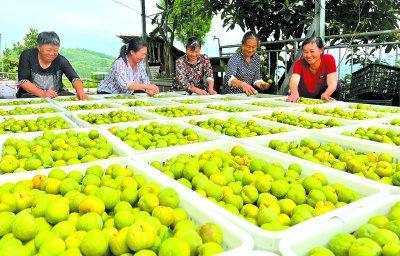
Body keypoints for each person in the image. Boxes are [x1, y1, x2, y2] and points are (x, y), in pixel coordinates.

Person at [17, 31, 88, 99]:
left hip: (57, 94)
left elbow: (74, 78)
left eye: (55, 50)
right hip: (31, 94)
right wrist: (42, 93)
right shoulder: (27, 55)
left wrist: (80, 91)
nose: (52, 54)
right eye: (48, 50)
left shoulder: (61, 60)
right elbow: (23, 80)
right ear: (39, 47)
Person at [287, 36, 340, 102]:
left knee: (337, 86)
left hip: (319, 95)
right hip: (301, 96)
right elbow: (294, 80)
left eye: (312, 51)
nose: (308, 55)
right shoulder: (299, 63)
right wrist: (294, 93)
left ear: (321, 50)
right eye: (305, 52)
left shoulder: (328, 59)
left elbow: (332, 81)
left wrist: (326, 94)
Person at [223, 31, 269, 95]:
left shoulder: (256, 58)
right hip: (232, 95)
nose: (250, 50)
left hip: (247, 95)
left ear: (257, 46)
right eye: (248, 46)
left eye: (253, 47)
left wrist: (261, 84)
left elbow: (256, 79)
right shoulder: (235, 58)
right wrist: (242, 84)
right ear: (243, 45)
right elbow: (229, 78)